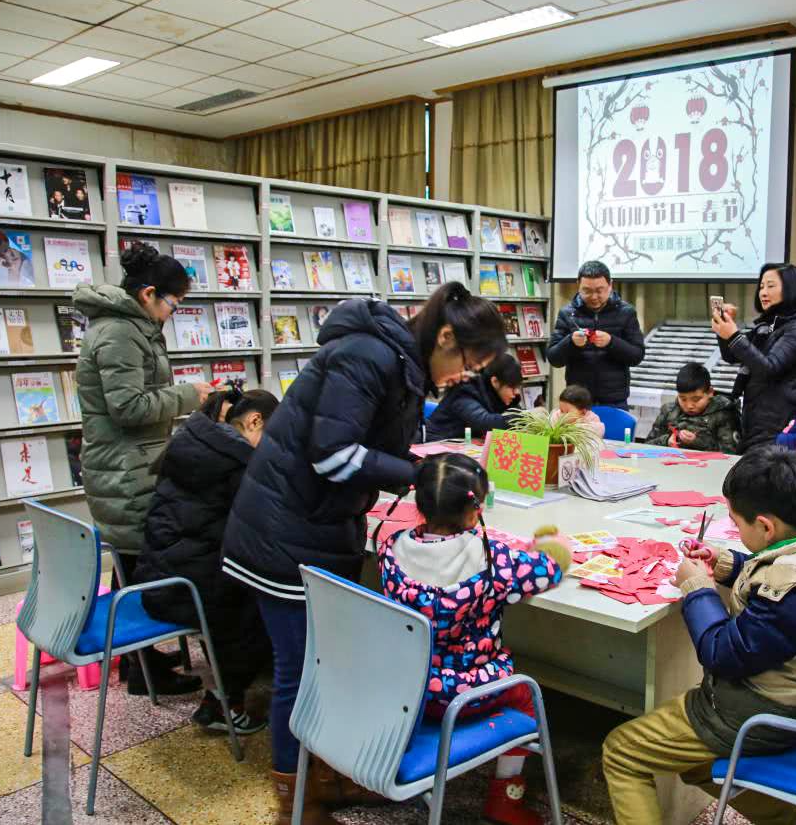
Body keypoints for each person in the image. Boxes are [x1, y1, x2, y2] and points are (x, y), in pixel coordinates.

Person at [221, 282, 508, 824]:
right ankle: (297, 801)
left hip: (316, 525)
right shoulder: (369, 355)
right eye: (467, 364)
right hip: (284, 532)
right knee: (301, 669)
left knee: (326, 664)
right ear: (445, 336)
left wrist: (424, 467)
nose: (463, 378)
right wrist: (418, 474)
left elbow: (373, 445)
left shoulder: (397, 362)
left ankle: (328, 776)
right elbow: (333, 456)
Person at [602, 446, 796, 825]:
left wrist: (697, 588)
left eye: (737, 524)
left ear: (766, 526)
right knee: (698, 765)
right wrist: (726, 563)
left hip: (757, 711)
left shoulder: (791, 602)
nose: (735, 530)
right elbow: (783, 570)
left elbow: (720, 652)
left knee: (623, 752)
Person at [380, 454, 571, 825]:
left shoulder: (390, 550)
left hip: (405, 688)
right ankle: (506, 798)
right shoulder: (492, 559)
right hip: (465, 695)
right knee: (526, 697)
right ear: (474, 512)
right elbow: (550, 569)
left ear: (418, 505)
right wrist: (551, 542)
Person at [75, 244, 213, 695]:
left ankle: (142, 658)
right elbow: (128, 407)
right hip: (125, 469)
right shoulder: (119, 333)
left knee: (132, 559)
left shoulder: (130, 326)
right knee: (140, 562)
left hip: (129, 464)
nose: (174, 313)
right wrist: (190, 396)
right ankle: (143, 668)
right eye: (174, 304)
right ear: (149, 293)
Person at [134, 387, 280, 735]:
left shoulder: (192, 442)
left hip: (156, 576)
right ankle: (223, 701)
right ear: (254, 420)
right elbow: (264, 526)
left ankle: (227, 690)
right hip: (187, 592)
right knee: (263, 599)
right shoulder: (234, 462)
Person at [712, 264, 796, 452]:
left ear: (791, 288)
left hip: (780, 422)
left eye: (771, 286)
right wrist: (724, 330)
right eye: (761, 286)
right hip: (758, 419)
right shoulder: (768, 325)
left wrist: (733, 336)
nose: (763, 292)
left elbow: (769, 368)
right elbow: (731, 355)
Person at [547, 261, 645, 409]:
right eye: (587, 291)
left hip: (614, 399)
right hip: (577, 401)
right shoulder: (567, 313)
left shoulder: (626, 313)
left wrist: (611, 342)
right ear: (578, 285)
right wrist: (571, 342)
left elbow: (637, 355)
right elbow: (553, 358)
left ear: (610, 285)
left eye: (600, 290)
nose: (594, 297)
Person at [424, 353, 522, 442]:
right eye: (512, 387)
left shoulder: (498, 396)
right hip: (436, 442)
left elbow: (514, 415)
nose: (516, 392)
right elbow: (484, 422)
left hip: (463, 445)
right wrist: (523, 417)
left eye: (518, 387)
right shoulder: (466, 390)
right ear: (495, 381)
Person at [642, 363, 738, 452]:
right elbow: (646, 446)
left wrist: (697, 442)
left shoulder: (723, 413)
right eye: (683, 399)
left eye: (696, 399)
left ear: (710, 392)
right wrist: (667, 441)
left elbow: (730, 453)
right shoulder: (669, 411)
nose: (689, 406)